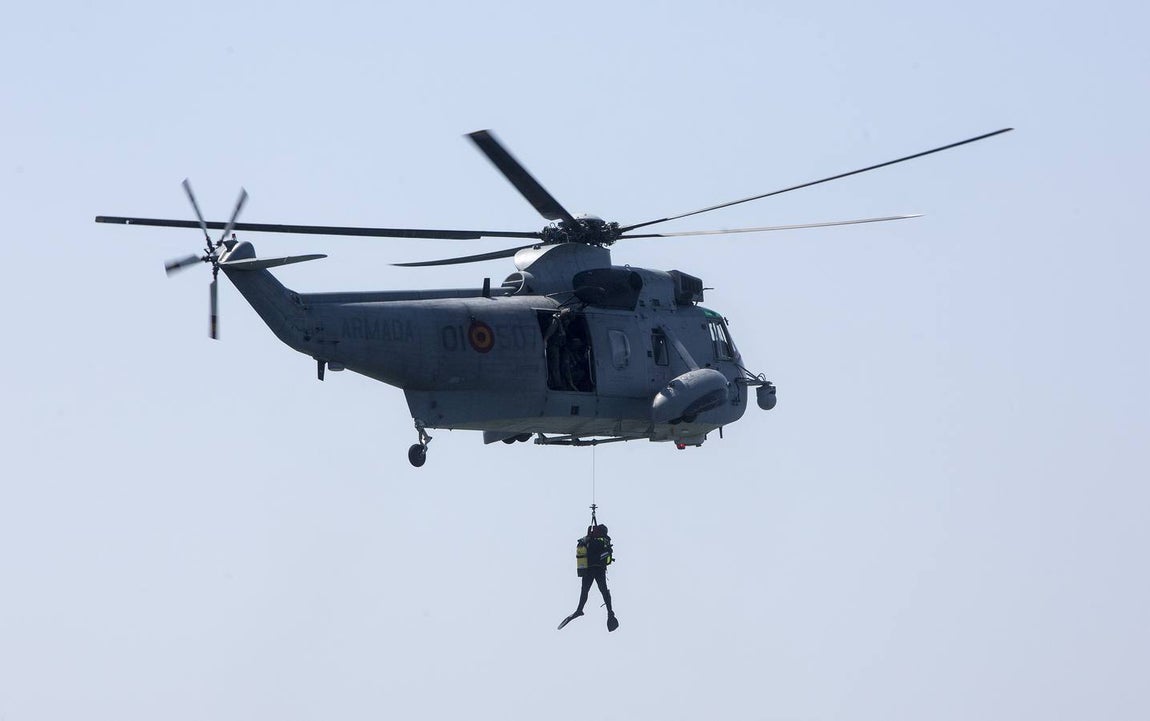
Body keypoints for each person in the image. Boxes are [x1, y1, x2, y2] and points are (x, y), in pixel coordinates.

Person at [558, 524, 619, 632]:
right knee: (604, 591)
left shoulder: (588, 539)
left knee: (584, 591)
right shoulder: (604, 541)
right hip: (599, 569)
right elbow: (607, 555)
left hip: (588, 569)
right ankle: (610, 612)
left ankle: (579, 609)